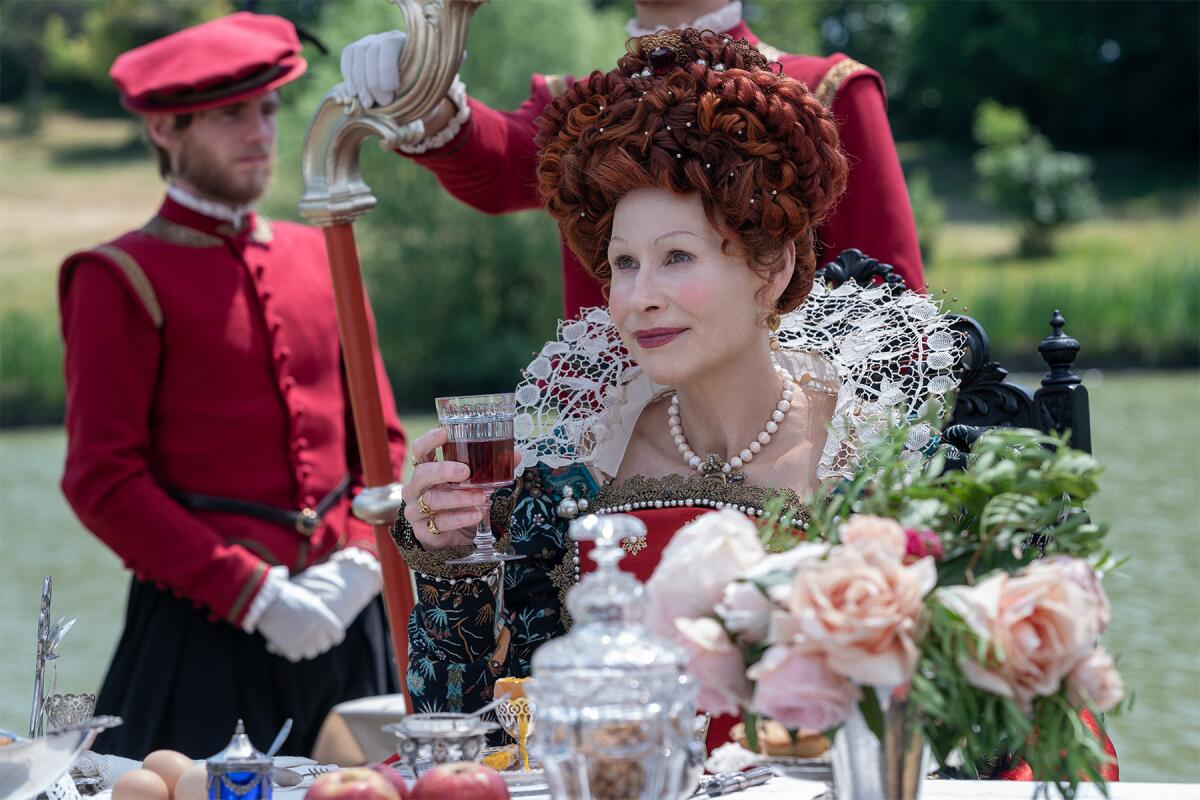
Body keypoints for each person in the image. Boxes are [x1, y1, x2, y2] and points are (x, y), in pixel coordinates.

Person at [389, 27, 957, 749]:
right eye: (623, 264)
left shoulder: (876, 461)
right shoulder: (570, 477)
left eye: (677, 257)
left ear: (774, 269)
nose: (639, 297)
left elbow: (952, 731)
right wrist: (451, 558)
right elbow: (471, 739)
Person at [58, 12, 406, 759]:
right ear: (165, 130)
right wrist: (253, 593)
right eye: (230, 115)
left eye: (270, 109)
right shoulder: (116, 277)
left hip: (351, 622)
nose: (261, 131)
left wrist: (361, 562)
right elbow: (102, 481)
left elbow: (384, 445)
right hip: (203, 636)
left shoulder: (323, 252)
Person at [338, 0, 925, 318]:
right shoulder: (578, 106)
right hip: (615, 465)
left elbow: (897, 315)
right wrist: (425, 91)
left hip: (790, 459)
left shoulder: (826, 88)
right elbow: (495, 169)